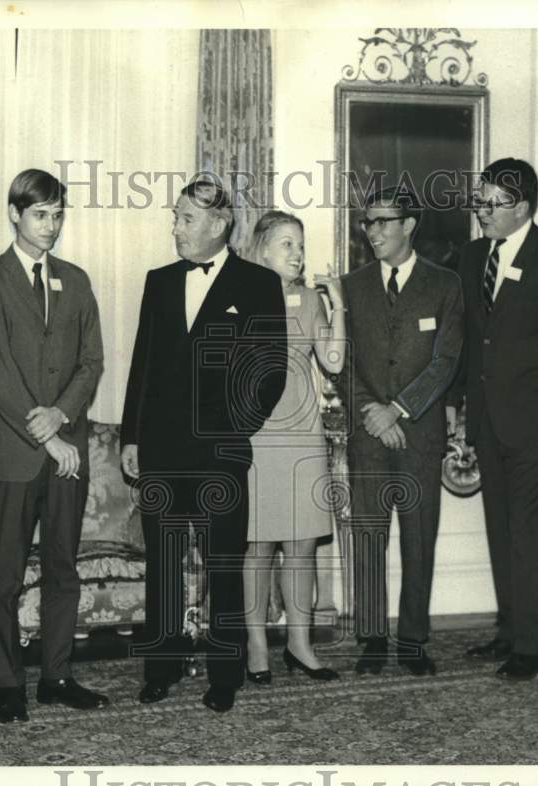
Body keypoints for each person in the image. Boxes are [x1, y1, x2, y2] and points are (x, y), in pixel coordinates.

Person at [121, 179, 287, 713]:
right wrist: (132, 436)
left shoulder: (259, 284)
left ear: (218, 225)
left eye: (185, 219)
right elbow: (142, 365)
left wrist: (234, 428)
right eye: (175, 217)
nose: (175, 228)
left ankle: (225, 676)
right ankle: (161, 669)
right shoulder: (159, 281)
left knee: (222, 566)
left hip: (222, 453)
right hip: (162, 453)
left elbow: (270, 372)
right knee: (164, 565)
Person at [0, 169, 106, 723]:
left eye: (57, 215)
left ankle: (55, 675)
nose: (49, 226)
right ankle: (7, 682)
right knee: (4, 574)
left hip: (66, 451)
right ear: (14, 214)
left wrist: (63, 415)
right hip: (15, 455)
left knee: (62, 569)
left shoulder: (74, 280)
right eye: (39, 215)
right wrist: (47, 435)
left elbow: (91, 361)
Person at [455, 158, 538, 680]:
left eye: (494, 203)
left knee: (528, 534)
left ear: (524, 208)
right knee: (499, 530)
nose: (483, 211)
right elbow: (470, 341)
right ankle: (509, 630)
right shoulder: (470, 258)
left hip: (537, 425)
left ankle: (530, 649)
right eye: (480, 200)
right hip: (488, 421)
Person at [338, 186, 464, 676]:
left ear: (410, 225)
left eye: (383, 222)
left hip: (419, 434)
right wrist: (372, 410)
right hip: (367, 433)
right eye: (367, 223)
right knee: (369, 537)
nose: (373, 232)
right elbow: (340, 362)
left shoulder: (445, 285)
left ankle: (413, 640)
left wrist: (399, 409)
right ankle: (373, 639)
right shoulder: (351, 286)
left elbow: (447, 361)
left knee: (418, 538)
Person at [240, 211, 345, 684]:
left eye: (299, 244)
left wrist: (337, 305)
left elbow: (333, 361)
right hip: (258, 435)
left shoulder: (308, 300)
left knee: (302, 545)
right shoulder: (239, 295)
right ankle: (256, 644)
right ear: (262, 249)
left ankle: (300, 645)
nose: (297, 253)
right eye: (286, 244)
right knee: (258, 546)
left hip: (303, 434)